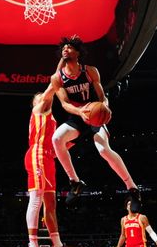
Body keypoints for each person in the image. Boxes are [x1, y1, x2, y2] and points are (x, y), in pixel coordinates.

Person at [50, 36, 140, 208]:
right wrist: (79, 112)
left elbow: (102, 97)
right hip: (77, 117)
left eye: (69, 47)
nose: (65, 50)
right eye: (63, 48)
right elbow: (64, 104)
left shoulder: (90, 71)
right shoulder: (57, 78)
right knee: (56, 140)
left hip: (95, 116)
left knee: (104, 150)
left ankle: (132, 188)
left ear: (78, 53)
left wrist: (106, 107)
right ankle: (75, 182)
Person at [24, 74, 84, 247]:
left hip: (49, 159)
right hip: (37, 155)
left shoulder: (52, 120)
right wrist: (60, 74)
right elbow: (50, 90)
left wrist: (77, 137)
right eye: (38, 97)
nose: (42, 98)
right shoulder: (39, 110)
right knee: (37, 198)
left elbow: (59, 148)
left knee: (51, 204)